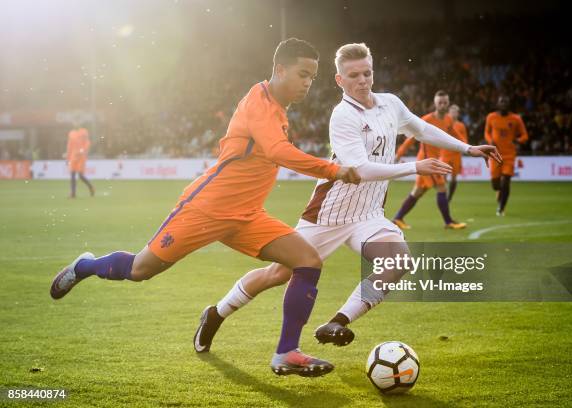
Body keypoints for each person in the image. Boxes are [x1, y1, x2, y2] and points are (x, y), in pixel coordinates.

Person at [50, 38, 360, 376]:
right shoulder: (259, 101)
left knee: (307, 261)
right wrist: (333, 169)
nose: (307, 84)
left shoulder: (279, 111)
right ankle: (85, 266)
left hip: (247, 216)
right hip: (206, 209)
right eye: (303, 74)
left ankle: (286, 352)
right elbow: (277, 152)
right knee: (140, 269)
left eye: (313, 77)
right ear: (280, 69)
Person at [193, 43, 501, 374]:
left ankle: (336, 322)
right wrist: (413, 167)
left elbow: (421, 129)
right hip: (329, 212)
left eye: (367, 73)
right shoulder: (342, 116)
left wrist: (467, 148)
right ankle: (217, 313)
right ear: (339, 80)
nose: (363, 80)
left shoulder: (390, 104)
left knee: (398, 261)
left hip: (368, 215)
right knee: (279, 273)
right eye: (354, 75)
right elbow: (360, 169)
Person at [392, 91, 467, 229]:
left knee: (417, 192)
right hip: (427, 161)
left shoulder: (449, 119)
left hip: (434, 159)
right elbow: (411, 139)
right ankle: (448, 222)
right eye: (440, 103)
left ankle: (397, 218)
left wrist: (469, 147)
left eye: (445, 102)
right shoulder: (426, 120)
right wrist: (399, 154)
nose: (443, 105)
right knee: (442, 187)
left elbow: (454, 135)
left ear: (448, 103)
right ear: (435, 103)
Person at [484, 95, 528, 215]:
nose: (503, 104)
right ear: (497, 104)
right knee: (495, 185)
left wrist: (518, 141)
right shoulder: (491, 117)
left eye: (505, 102)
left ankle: (501, 208)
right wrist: (490, 141)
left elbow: (525, 135)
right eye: (501, 102)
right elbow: (486, 133)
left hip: (509, 155)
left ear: (509, 104)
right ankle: (499, 192)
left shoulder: (516, 118)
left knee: (506, 181)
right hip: (495, 155)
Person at [442, 104, 469, 202]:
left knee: (454, 178)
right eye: (452, 112)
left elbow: (464, 140)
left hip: (456, 155)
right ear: (448, 113)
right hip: (445, 154)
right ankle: (443, 196)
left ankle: (449, 198)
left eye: (456, 112)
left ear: (458, 114)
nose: (454, 114)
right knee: (443, 176)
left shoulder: (461, 125)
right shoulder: (444, 123)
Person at [66, 125, 94, 198]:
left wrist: (83, 150)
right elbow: (69, 146)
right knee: (72, 174)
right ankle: (73, 193)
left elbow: (87, 142)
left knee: (81, 176)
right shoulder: (71, 133)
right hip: (73, 157)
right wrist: (68, 157)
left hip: (81, 157)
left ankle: (91, 187)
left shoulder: (83, 132)